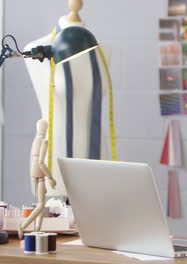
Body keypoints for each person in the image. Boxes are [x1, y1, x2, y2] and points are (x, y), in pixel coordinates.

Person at [23, 0, 111, 197]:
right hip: (54, 153)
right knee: (50, 224)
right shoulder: (39, 49)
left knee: (95, 223)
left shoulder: (102, 50)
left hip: (96, 153)